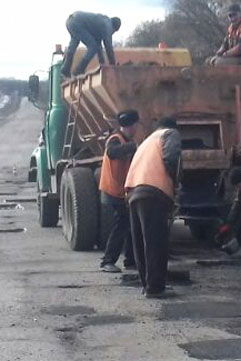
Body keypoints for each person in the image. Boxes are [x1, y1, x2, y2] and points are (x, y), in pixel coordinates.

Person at [124, 117, 182, 298]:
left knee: (141, 243)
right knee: (156, 242)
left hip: (133, 192)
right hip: (153, 192)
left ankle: (148, 285)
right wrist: (175, 182)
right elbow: (172, 158)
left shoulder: (147, 141)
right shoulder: (170, 134)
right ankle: (156, 288)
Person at [98, 109, 139, 273]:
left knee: (130, 225)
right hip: (114, 192)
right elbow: (112, 152)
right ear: (131, 125)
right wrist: (134, 146)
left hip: (123, 191)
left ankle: (131, 261)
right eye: (135, 125)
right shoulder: (115, 140)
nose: (137, 128)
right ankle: (107, 261)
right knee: (121, 225)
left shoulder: (125, 139)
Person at [61, 12, 123, 78]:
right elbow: (108, 46)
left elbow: (99, 46)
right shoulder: (108, 25)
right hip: (78, 23)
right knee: (92, 47)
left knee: (74, 42)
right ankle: (79, 70)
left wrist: (102, 63)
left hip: (70, 21)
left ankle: (65, 69)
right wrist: (113, 65)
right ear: (114, 28)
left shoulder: (100, 23)